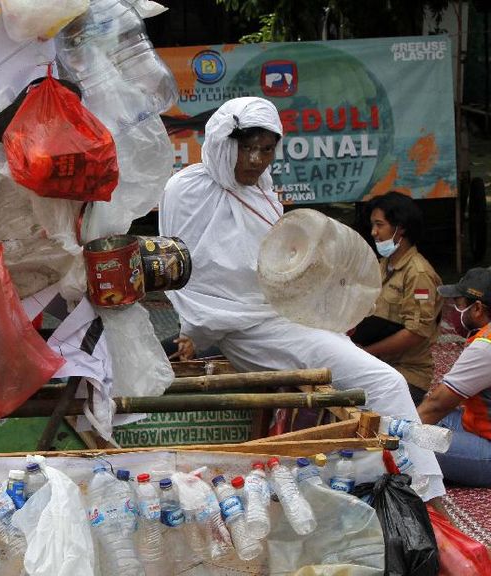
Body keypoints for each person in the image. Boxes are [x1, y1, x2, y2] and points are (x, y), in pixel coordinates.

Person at [159, 96, 445, 500]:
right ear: (223, 141)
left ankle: (424, 484)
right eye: (247, 147)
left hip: (282, 316)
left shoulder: (262, 190)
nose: (257, 160)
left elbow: (276, 268)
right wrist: (196, 329)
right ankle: (430, 496)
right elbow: (192, 270)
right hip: (244, 328)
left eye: (267, 149)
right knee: (386, 383)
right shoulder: (185, 189)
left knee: (386, 384)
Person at [351, 191, 442, 405]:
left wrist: (366, 352)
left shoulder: (418, 274)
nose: (373, 232)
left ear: (400, 228)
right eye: (372, 225)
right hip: (379, 367)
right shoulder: (382, 265)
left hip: (406, 375)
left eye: (379, 225)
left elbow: (416, 332)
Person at [416, 267, 491, 487]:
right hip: (479, 424)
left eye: (458, 304)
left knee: (410, 441)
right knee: (412, 416)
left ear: (477, 308)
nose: (453, 311)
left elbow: (437, 404)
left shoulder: (486, 347)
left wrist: (397, 436)